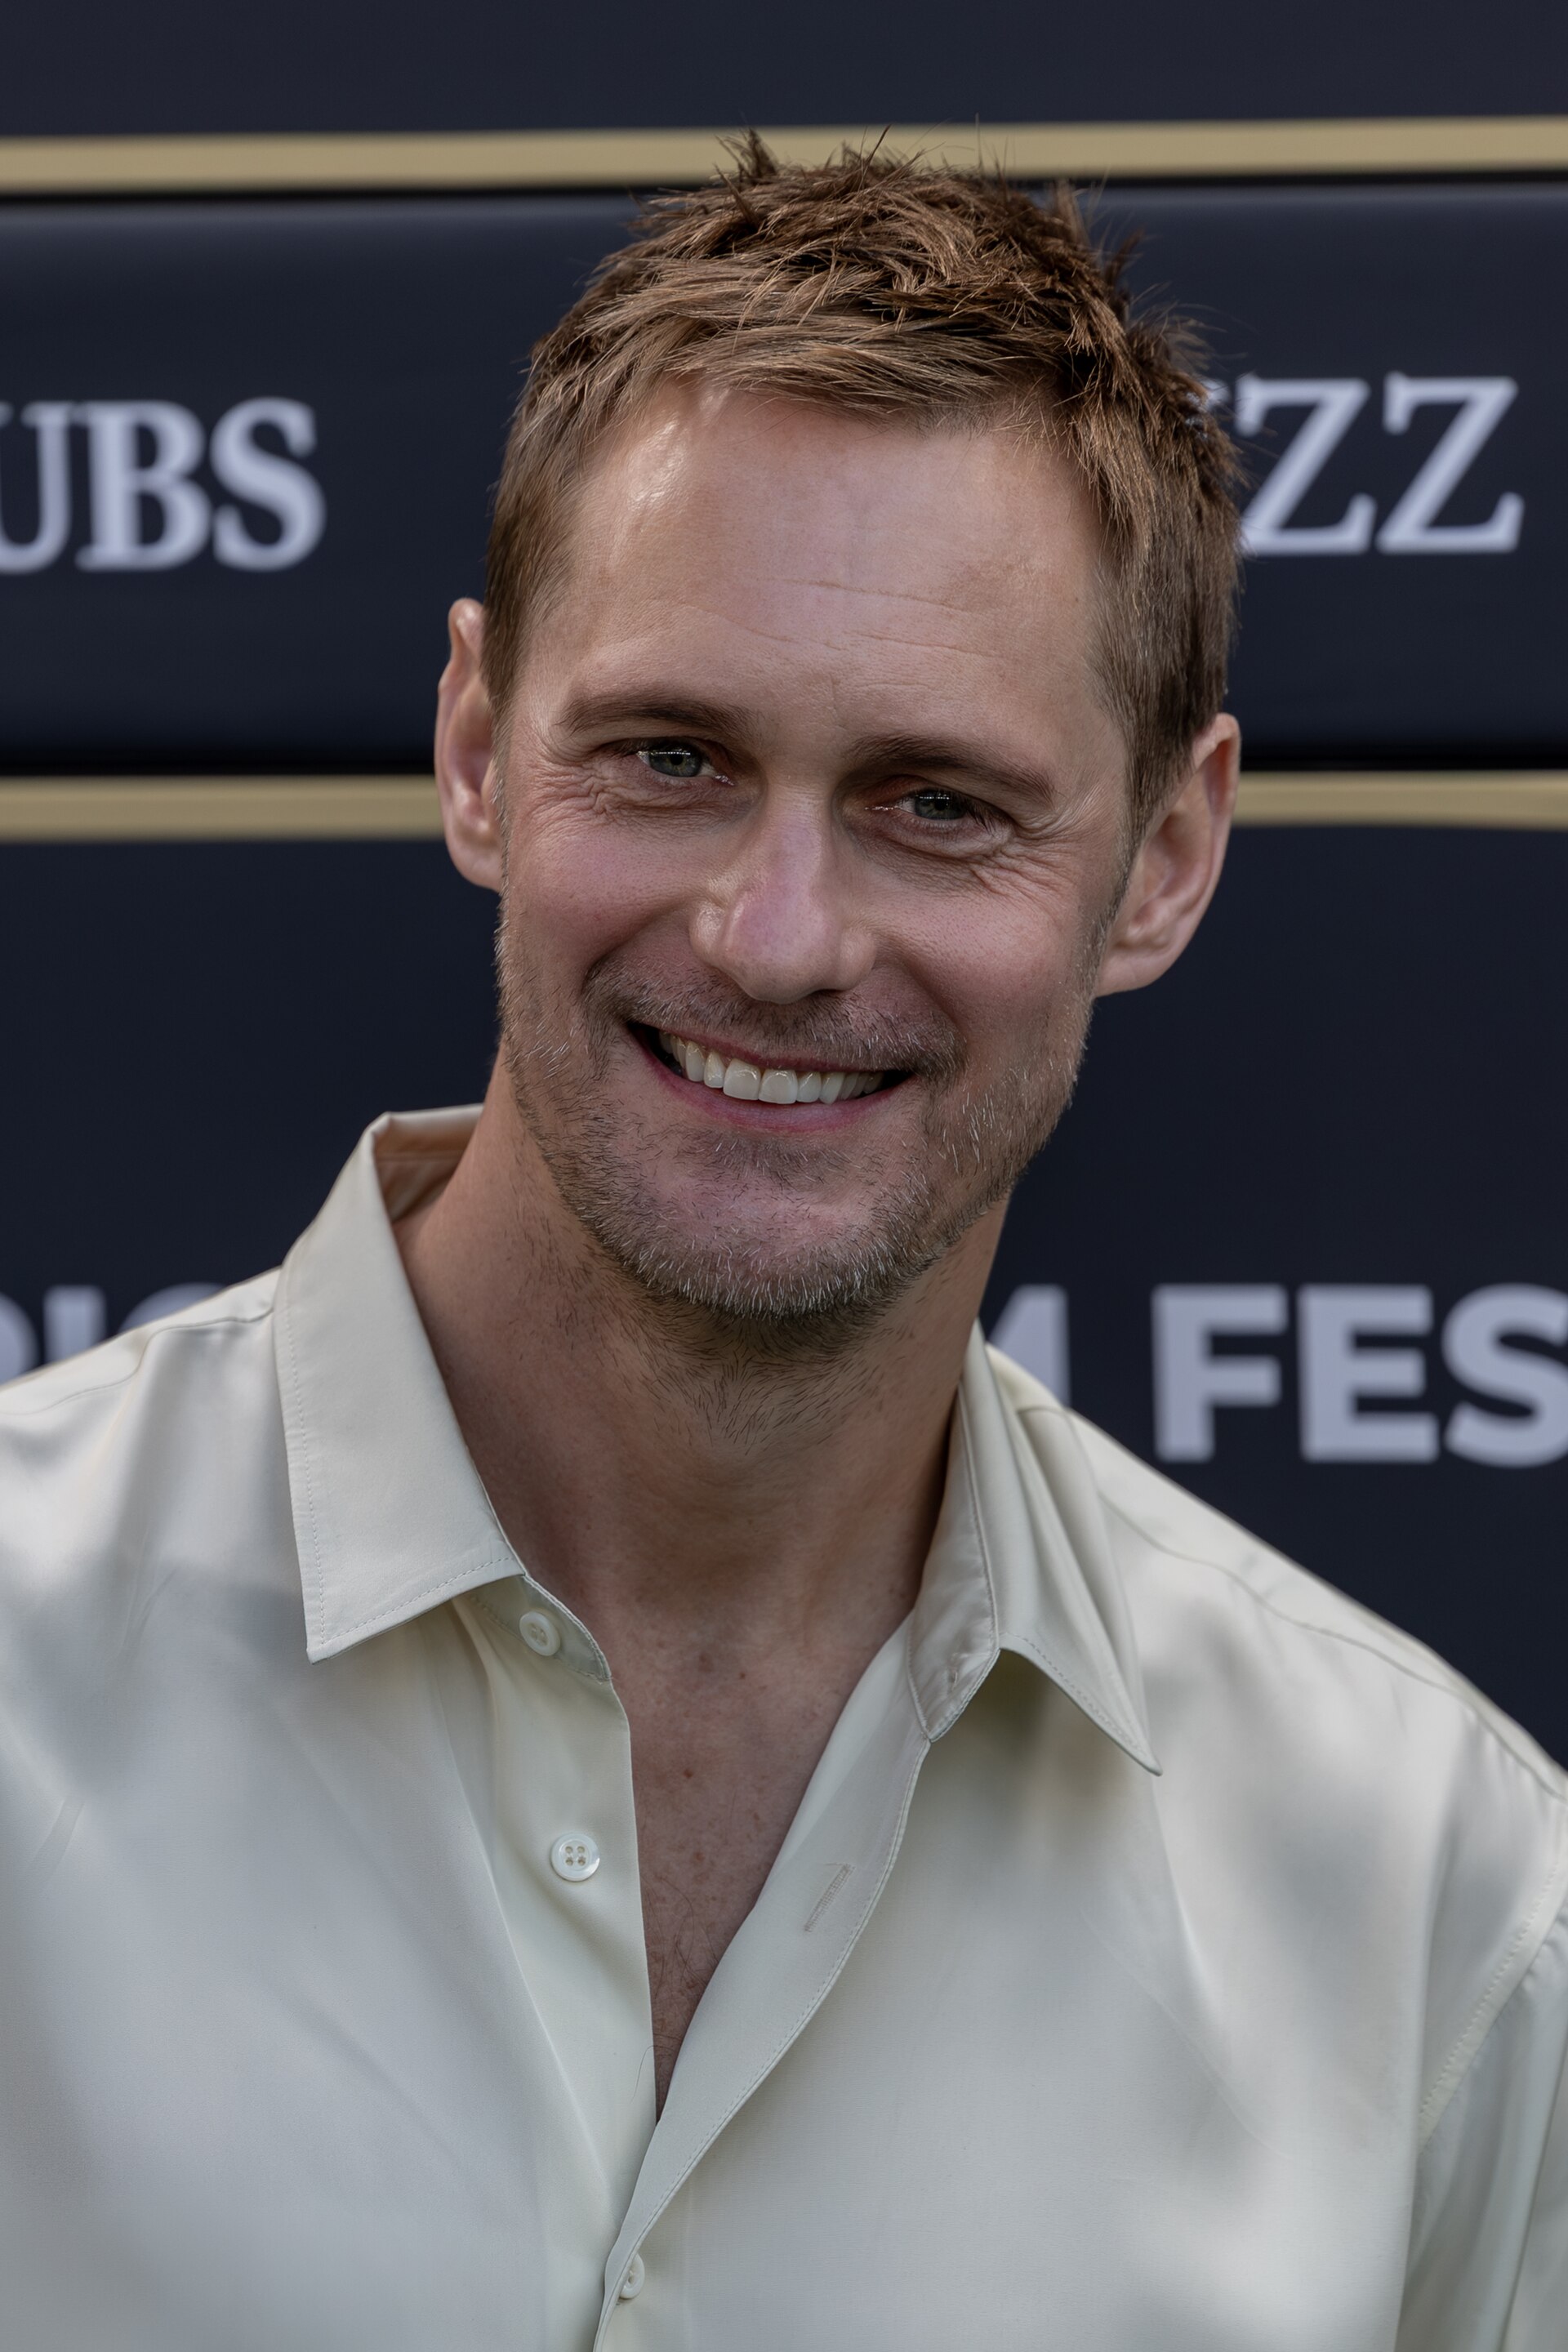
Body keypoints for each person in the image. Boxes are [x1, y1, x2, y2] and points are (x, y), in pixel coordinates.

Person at [2, 142, 1563, 2352]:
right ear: (474, 747)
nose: (778, 935)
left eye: (940, 802)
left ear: (1166, 857)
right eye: (667, 755)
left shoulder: (1437, 1906)